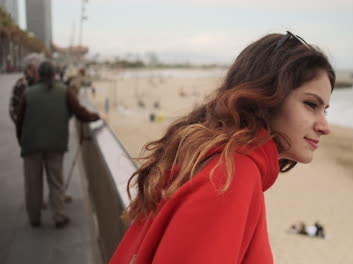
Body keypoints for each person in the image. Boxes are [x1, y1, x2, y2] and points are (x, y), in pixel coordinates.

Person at [110, 31, 335, 263]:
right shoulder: (230, 175)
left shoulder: (209, 154)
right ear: (266, 99)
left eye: (325, 109)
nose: (325, 126)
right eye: (311, 104)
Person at [15, 61, 100, 228]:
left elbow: (20, 121)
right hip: (55, 145)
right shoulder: (64, 91)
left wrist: (22, 141)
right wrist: (96, 116)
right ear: (54, 74)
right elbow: (79, 112)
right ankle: (59, 216)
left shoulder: (28, 93)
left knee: (32, 184)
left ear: (38, 75)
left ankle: (34, 218)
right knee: (56, 181)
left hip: (31, 146)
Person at [9, 53, 44, 123]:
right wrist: (21, 123)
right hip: (26, 126)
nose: (35, 70)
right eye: (32, 68)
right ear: (27, 69)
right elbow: (13, 107)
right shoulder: (21, 84)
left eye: (37, 67)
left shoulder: (45, 82)